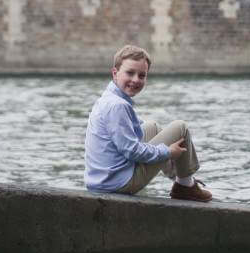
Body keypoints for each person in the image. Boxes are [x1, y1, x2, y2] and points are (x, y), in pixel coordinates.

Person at [84, 44, 212, 202]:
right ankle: (185, 186)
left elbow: (133, 133)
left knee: (152, 127)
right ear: (115, 73)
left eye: (142, 75)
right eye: (130, 73)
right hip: (118, 184)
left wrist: (165, 150)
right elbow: (131, 150)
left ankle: (180, 180)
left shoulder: (110, 97)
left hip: (102, 180)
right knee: (181, 128)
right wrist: (168, 152)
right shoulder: (118, 106)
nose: (136, 80)